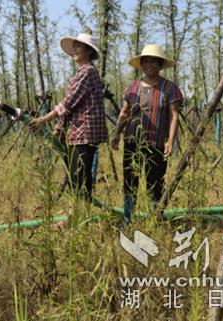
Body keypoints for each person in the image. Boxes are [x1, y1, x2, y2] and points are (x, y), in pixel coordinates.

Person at [30, 33, 108, 204]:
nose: (75, 50)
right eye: (74, 46)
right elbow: (71, 107)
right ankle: (77, 216)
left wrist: (45, 119)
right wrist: (59, 128)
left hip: (85, 133)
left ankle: (76, 218)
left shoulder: (87, 72)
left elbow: (69, 102)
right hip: (78, 133)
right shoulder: (81, 73)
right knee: (77, 177)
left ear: (88, 50)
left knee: (79, 178)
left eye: (78, 46)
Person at [111, 44, 183, 224]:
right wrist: (116, 133)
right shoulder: (132, 88)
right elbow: (124, 112)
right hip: (132, 142)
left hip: (157, 143)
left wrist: (170, 141)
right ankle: (128, 218)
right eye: (146, 61)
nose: (149, 65)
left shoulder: (170, 88)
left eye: (153, 62)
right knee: (130, 181)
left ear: (160, 65)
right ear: (141, 64)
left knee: (155, 182)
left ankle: (155, 219)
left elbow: (174, 116)